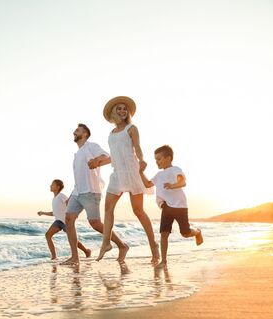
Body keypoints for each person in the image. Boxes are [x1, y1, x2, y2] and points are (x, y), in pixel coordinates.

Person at [94, 96, 160, 263]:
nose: (122, 111)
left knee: (138, 211)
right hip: (117, 174)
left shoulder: (131, 128)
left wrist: (143, 159)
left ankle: (153, 245)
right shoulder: (111, 133)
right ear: (113, 112)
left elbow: (137, 147)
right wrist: (99, 162)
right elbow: (115, 155)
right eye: (119, 108)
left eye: (125, 109)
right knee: (108, 208)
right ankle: (106, 243)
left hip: (132, 172)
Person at [62, 124, 129, 265]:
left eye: (78, 130)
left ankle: (122, 245)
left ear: (85, 134)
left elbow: (109, 157)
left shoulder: (91, 146)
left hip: (91, 192)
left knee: (95, 223)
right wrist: (70, 195)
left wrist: (97, 161)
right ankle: (75, 257)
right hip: (77, 193)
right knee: (69, 220)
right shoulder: (77, 153)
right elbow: (79, 177)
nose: (74, 132)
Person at [139, 145, 203, 268]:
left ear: (168, 158)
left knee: (185, 233)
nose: (157, 162)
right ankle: (164, 261)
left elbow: (182, 182)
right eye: (155, 159)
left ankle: (197, 232)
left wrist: (173, 185)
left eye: (159, 159)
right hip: (166, 207)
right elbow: (147, 184)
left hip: (179, 206)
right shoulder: (158, 175)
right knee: (164, 234)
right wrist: (140, 172)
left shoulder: (176, 170)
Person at [37, 179, 91, 260]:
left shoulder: (61, 196)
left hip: (66, 222)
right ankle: (54, 257)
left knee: (73, 239)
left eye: (52, 184)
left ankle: (86, 251)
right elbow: (54, 213)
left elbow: (70, 203)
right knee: (48, 235)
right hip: (58, 221)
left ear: (58, 187)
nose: (50, 186)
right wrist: (43, 213)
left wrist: (72, 215)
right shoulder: (54, 199)